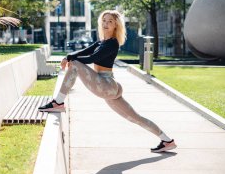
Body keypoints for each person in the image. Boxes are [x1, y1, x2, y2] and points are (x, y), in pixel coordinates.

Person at [38, 10, 177, 153]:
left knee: (75, 65)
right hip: (107, 86)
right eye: (104, 20)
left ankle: (58, 102)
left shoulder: (112, 43)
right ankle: (167, 140)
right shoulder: (102, 42)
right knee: (136, 118)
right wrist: (68, 56)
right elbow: (82, 52)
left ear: (116, 25)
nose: (106, 24)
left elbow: (91, 59)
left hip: (107, 84)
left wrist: (71, 60)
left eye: (110, 21)